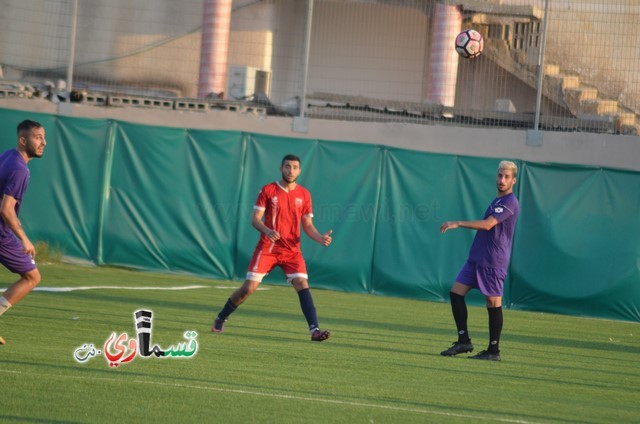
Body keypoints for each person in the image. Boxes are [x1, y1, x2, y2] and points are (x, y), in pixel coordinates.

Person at [212, 154, 333, 341]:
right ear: (281, 168)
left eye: (294, 167)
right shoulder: (268, 190)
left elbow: (307, 225)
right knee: (248, 288)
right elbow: (255, 219)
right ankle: (221, 317)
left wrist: (320, 238)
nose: (290, 171)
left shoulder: (304, 194)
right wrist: (267, 230)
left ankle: (314, 331)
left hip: (292, 251)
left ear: (299, 171)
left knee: (302, 283)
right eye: (287, 167)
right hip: (268, 248)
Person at [439, 161, 520, 361]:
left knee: (493, 303)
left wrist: (457, 222)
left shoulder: (510, 202)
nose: (502, 180)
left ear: (514, 180)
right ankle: (463, 341)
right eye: (500, 175)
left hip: (493, 260)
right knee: (456, 293)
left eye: (507, 177)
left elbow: (487, 225)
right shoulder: (497, 200)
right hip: (476, 258)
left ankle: (493, 351)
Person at [0, 120, 47, 345]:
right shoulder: (20, 169)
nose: (43, 142)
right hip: (1, 235)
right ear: (23, 140)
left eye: (43, 137)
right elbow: (6, 209)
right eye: (37, 137)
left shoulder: (8, 156)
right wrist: (25, 239)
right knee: (32, 276)